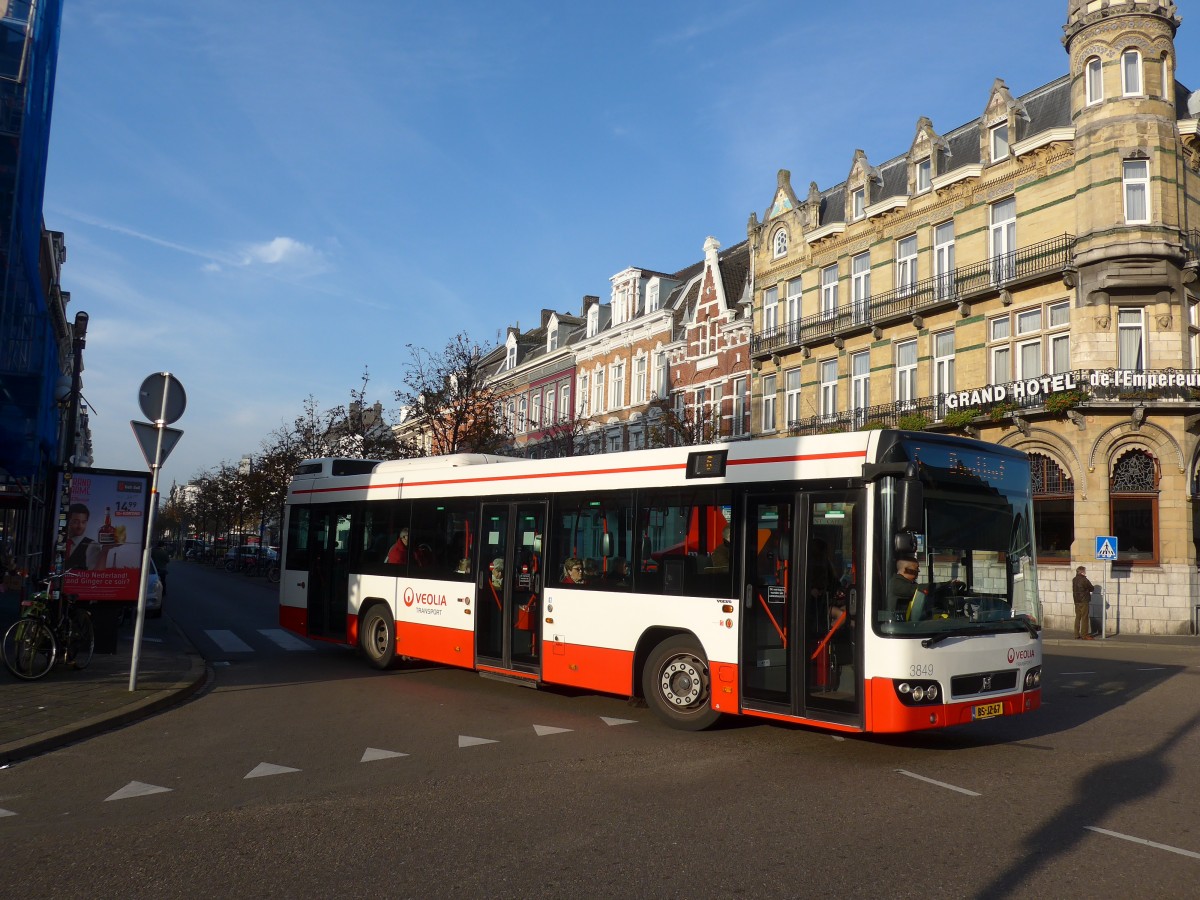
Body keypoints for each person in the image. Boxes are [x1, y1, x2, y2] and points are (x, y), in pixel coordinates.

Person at [64, 503, 94, 569]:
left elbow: (95, 574)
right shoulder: (60, 541)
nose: (80, 526)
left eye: (83, 522)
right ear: (68, 521)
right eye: (76, 522)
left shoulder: (92, 545)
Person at [1072, 565, 1094, 640]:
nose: (1085, 572)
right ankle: (1084, 635)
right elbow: (1091, 588)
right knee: (1084, 617)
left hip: (1076, 600)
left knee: (1078, 617)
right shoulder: (1084, 580)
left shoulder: (1074, 579)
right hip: (1084, 600)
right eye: (1084, 571)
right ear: (1082, 572)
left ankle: (1076, 634)